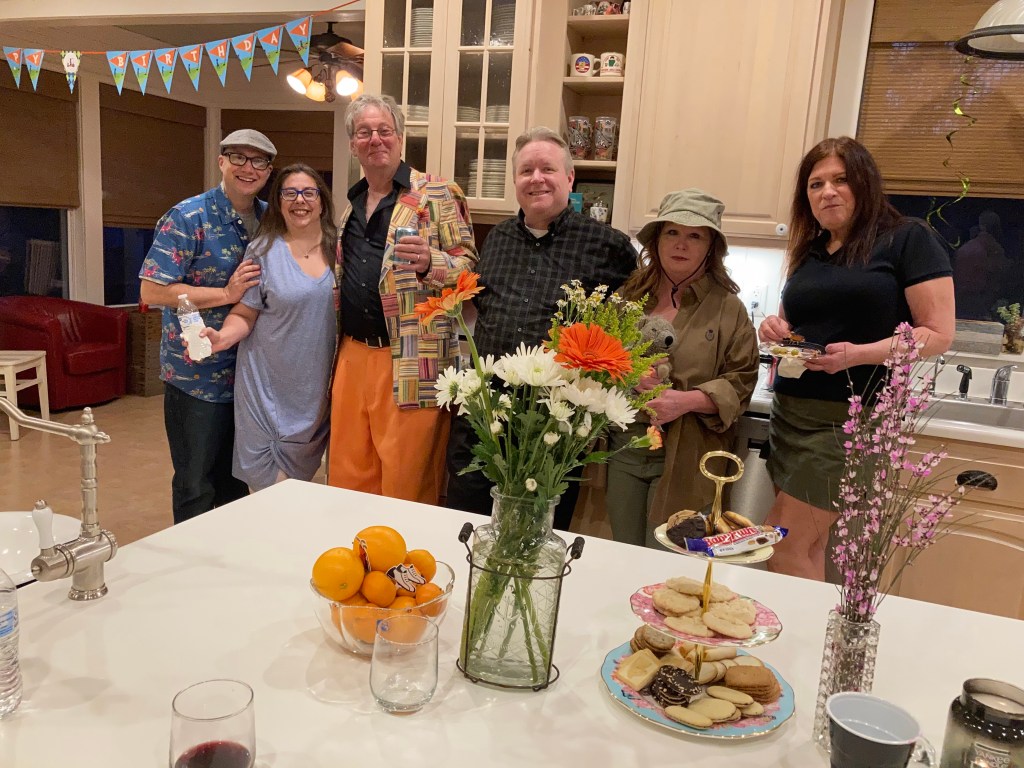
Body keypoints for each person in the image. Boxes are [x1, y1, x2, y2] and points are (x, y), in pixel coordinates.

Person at [758, 136, 954, 581]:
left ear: (865, 184)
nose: (827, 192)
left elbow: (938, 334)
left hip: (850, 420)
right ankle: (811, 628)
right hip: (790, 414)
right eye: (816, 184)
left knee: (783, 544)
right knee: (809, 545)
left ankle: (793, 629)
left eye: (841, 180)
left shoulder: (906, 239)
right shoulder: (810, 250)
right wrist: (775, 328)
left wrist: (858, 356)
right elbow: (795, 325)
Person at [444, 126, 637, 530]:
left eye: (547, 169)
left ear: (569, 177)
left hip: (553, 420)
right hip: (485, 410)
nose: (536, 179)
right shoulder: (496, 239)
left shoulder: (610, 246)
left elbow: (634, 317)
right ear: (515, 180)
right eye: (526, 170)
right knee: (468, 524)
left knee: (538, 534)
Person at [328, 94, 477, 505]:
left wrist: (432, 263)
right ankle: (356, 545)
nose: (375, 139)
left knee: (406, 482)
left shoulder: (438, 193)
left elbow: (469, 268)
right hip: (352, 355)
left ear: (400, 137)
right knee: (347, 477)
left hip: (413, 358)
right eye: (364, 132)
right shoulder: (350, 206)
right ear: (352, 144)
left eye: (384, 130)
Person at [606, 190, 759, 547]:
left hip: (689, 457)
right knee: (622, 554)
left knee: (669, 561)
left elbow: (741, 382)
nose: (681, 244)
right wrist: (627, 374)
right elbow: (598, 357)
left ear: (711, 246)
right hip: (625, 449)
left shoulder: (728, 308)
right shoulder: (629, 296)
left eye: (695, 236)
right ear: (656, 239)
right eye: (672, 232)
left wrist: (685, 401)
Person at [139, 129, 276, 524]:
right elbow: (152, 290)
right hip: (197, 376)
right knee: (195, 484)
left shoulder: (272, 219)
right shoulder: (188, 217)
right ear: (221, 162)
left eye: (259, 161)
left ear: (269, 170)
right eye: (238, 157)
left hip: (251, 375)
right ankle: (192, 558)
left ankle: (230, 555)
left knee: (237, 483)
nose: (248, 168)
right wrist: (226, 293)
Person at [199, 164, 337, 492]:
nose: (299, 200)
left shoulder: (341, 251)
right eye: (290, 193)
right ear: (278, 202)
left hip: (316, 395)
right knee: (273, 497)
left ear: (321, 201)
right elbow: (245, 313)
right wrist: (223, 337)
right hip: (266, 392)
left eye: (308, 192)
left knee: (305, 493)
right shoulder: (262, 252)